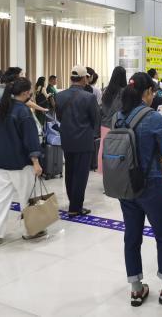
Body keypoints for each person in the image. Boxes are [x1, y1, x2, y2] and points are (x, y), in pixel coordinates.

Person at [116, 72, 162, 307]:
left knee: (132, 236)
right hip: (151, 185)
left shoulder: (118, 116)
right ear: (148, 92)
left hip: (126, 185)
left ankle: (136, 289)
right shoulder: (154, 118)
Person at [0, 78, 44, 249]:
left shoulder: (3, 109)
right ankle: (32, 230)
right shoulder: (23, 112)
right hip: (21, 163)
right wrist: (36, 162)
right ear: (25, 93)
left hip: (2, 162)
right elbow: (30, 139)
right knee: (28, 197)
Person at [55, 66, 100, 218]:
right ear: (84, 78)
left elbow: (59, 117)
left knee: (70, 172)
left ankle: (72, 202)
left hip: (67, 138)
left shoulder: (59, 96)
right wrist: (93, 135)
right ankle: (75, 207)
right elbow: (95, 119)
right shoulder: (89, 97)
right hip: (84, 140)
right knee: (81, 175)